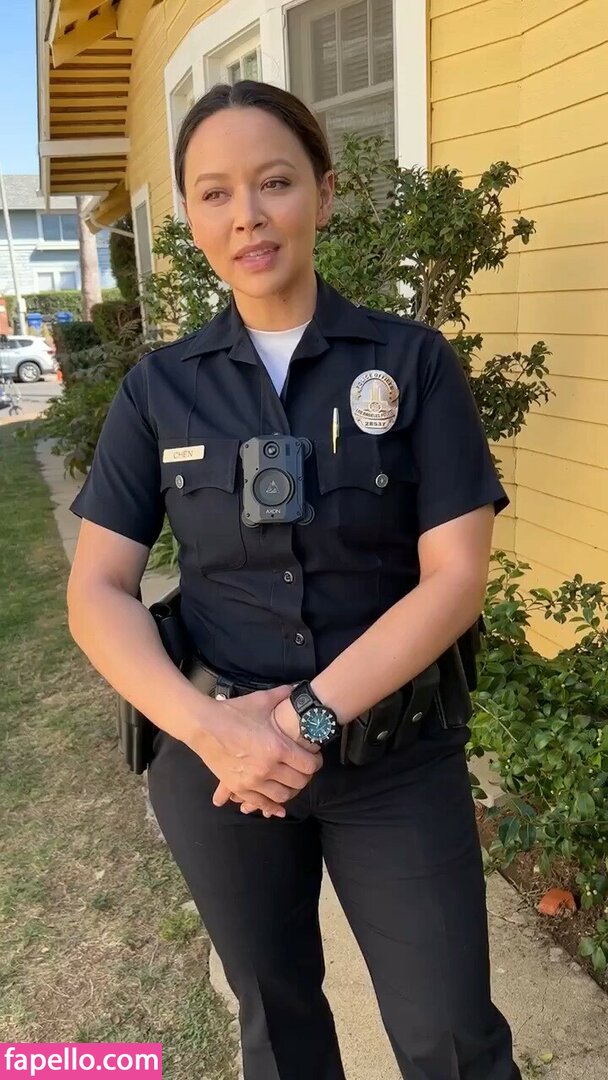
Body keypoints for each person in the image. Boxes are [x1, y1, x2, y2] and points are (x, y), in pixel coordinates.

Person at [67, 80, 522, 1080]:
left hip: (394, 761)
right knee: (276, 1028)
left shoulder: (412, 363)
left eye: (273, 182)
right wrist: (211, 730)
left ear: (323, 191)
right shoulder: (158, 391)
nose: (248, 216)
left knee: (451, 1037)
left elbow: (454, 578)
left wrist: (298, 721)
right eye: (215, 193)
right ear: (190, 217)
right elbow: (96, 590)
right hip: (219, 768)